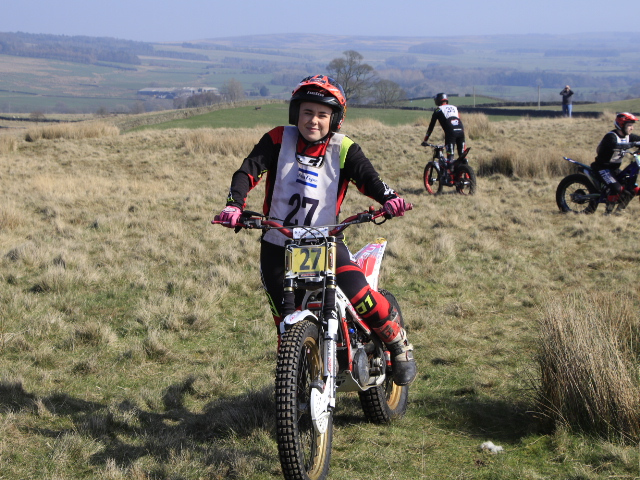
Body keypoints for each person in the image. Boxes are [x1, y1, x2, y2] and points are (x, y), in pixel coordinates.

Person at [213, 74, 417, 386]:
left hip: (326, 242)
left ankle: (396, 340)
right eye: (307, 112)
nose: (313, 120)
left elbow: (369, 179)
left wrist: (389, 199)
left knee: (360, 296)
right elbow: (248, 170)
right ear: (296, 113)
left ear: (334, 119)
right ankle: (293, 388)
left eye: (322, 114)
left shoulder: (343, 147)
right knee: (285, 323)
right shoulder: (278, 139)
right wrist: (234, 205)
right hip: (278, 245)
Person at [591, 112, 640, 212]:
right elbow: (615, 145)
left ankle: (619, 211)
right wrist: (633, 144)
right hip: (602, 168)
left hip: (615, 169)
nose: (632, 128)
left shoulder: (628, 136)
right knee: (617, 188)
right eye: (629, 125)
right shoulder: (611, 136)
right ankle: (608, 212)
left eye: (632, 125)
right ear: (621, 125)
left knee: (631, 188)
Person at [421, 93, 466, 170]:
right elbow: (459, 120)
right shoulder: (454, 108)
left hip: (451, 133)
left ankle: (450, 175)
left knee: (450, 157)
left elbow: (431, 127)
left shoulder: (438, 110)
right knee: (462, 155)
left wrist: (425, 140)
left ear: (437, 101)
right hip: (461, 131)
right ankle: (466, 173)